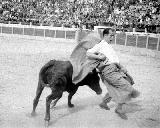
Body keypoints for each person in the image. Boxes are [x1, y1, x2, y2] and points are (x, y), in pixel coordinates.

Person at [86, 28, 140, 120]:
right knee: (127, 88)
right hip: (108, 71)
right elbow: (88, 53)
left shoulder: (108, 46)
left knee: (117, 87)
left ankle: (104, 103)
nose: (112, 37)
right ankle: (119, 109)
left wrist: (122, 67)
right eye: (111, 35)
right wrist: (99, 56)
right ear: (105, 35)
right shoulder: (101, 45)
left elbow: (114, 60)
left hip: (115, 69)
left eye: (113, 36)